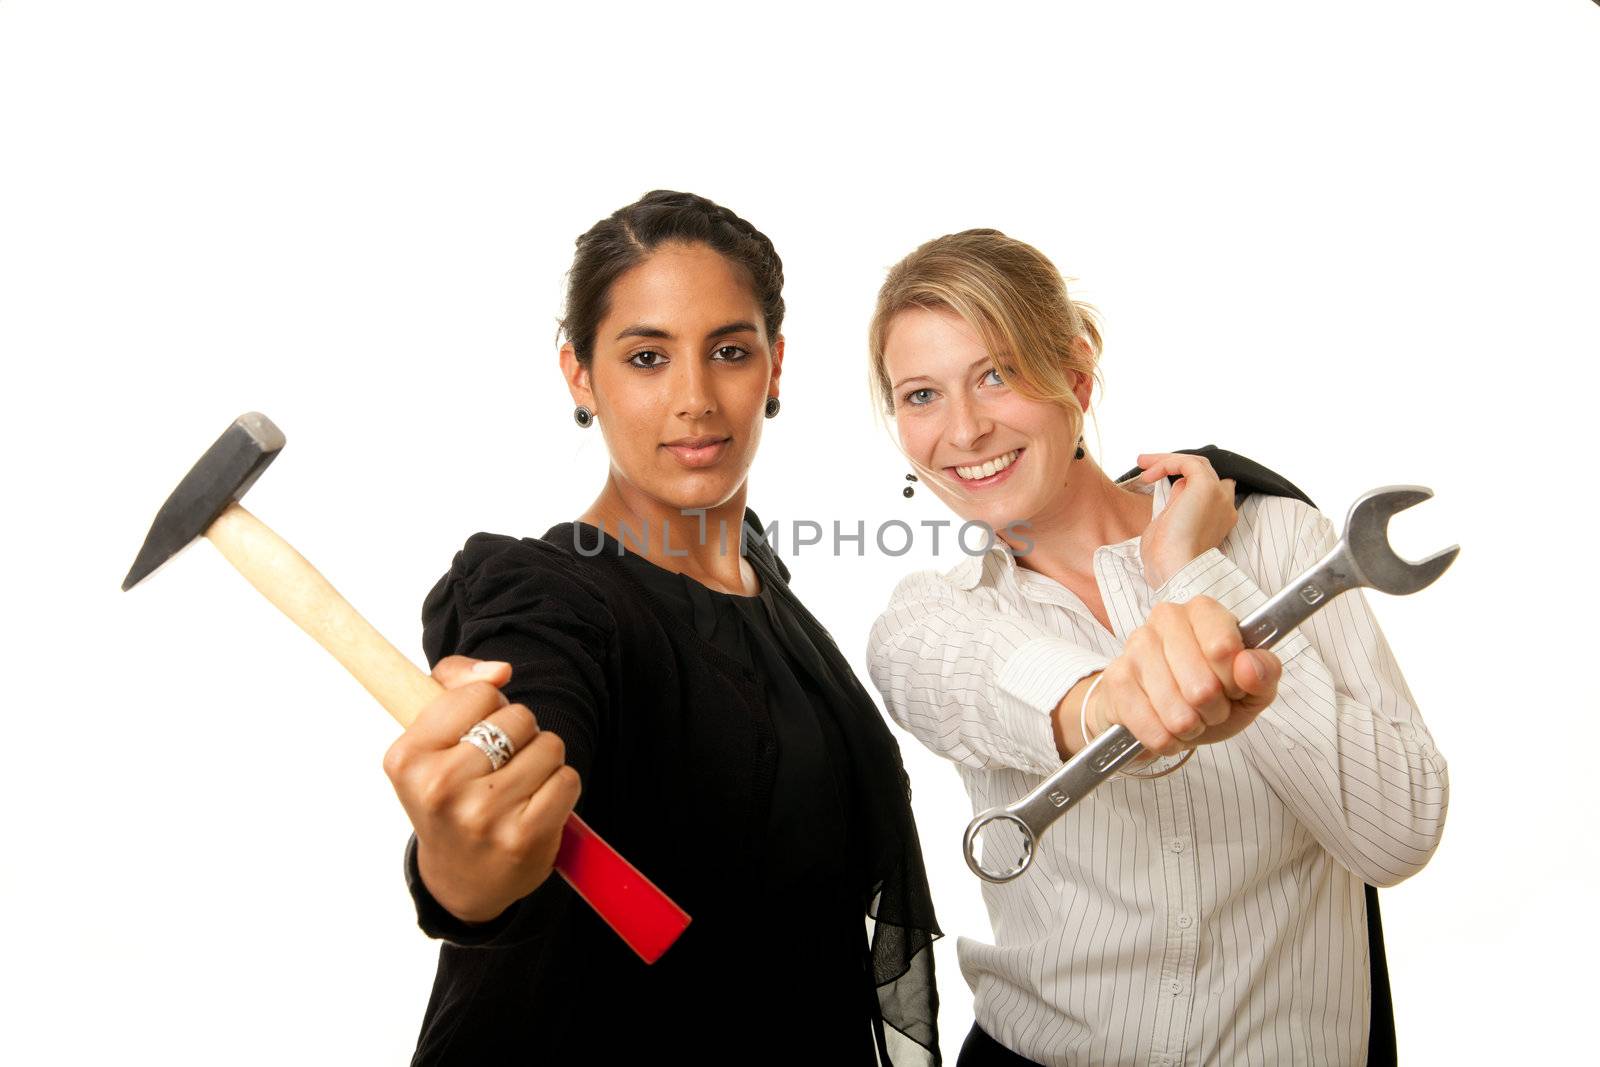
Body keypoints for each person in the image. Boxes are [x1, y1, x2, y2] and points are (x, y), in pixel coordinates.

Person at [863, 229, 1447, 1066]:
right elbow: (993, 684)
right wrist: (1108, 701)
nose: (963, 429)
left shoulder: (1286, 545)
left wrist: (1194, 572)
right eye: (920, 395)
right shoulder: (930, 620)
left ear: (1075, 368)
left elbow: (1397, 836)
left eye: (996, 373)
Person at [382, 191, 941, 1064]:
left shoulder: (768, 588)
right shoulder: (545, 594)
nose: (695, 398)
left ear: (776, 365)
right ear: (579, 373)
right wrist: (464, 865)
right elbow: (536, 709)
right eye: (646, 356)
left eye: (728, 351)